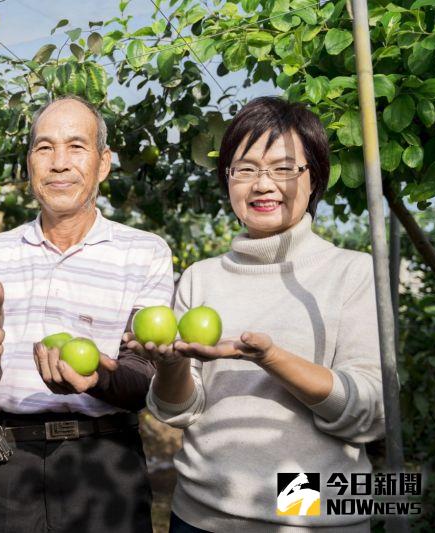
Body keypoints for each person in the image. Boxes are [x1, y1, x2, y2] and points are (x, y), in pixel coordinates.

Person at [132, 96, 385, 532]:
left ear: (314, 177)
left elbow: (371, 413)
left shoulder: (351, 272)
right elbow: (180, 411)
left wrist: (272, 359)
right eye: (245, 169)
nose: (263, 184)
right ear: (227, 179)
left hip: (308, 521)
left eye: (284, 168)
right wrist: (170, 366)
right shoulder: (200, 278)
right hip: (198, 516)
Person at [0, 95, 175, 533]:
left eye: (76, 146)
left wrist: (99, 378)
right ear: (29, 163)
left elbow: (143, 377)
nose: (58, 163)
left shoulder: (143, 252)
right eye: (44, 147)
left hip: (105, 461)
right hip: (8, 465)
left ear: (103, 162)